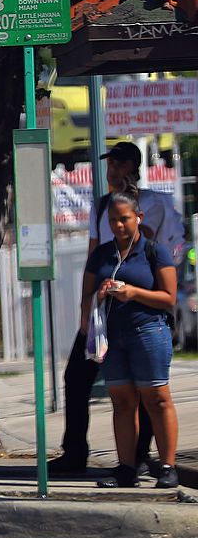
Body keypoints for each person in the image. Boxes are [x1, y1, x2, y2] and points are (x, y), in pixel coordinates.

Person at [48, 141, 184, 475]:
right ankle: (75, 450)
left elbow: (166, 247)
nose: (109, 172)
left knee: (148, 389)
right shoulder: (102, 205)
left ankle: (143, 456)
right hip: (106, 312)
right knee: (79, 377)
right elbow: (95, 253)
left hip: (145, 309)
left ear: (128, 166)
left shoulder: (156, 203)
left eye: (114, 166)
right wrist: (86, 305)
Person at [81, 185, 179, 488]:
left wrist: (133, 292)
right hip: (113, 336)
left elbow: (168, 297)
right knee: (122, 402)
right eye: (112, 220)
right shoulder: (102, 255)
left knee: (157, 399)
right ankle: (126, 468)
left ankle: (167, 467)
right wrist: (99, 295)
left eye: (124, 219)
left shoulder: (153, 251)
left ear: (138, 217)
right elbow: (85, 298)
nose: (118, 226)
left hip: (149, 331)